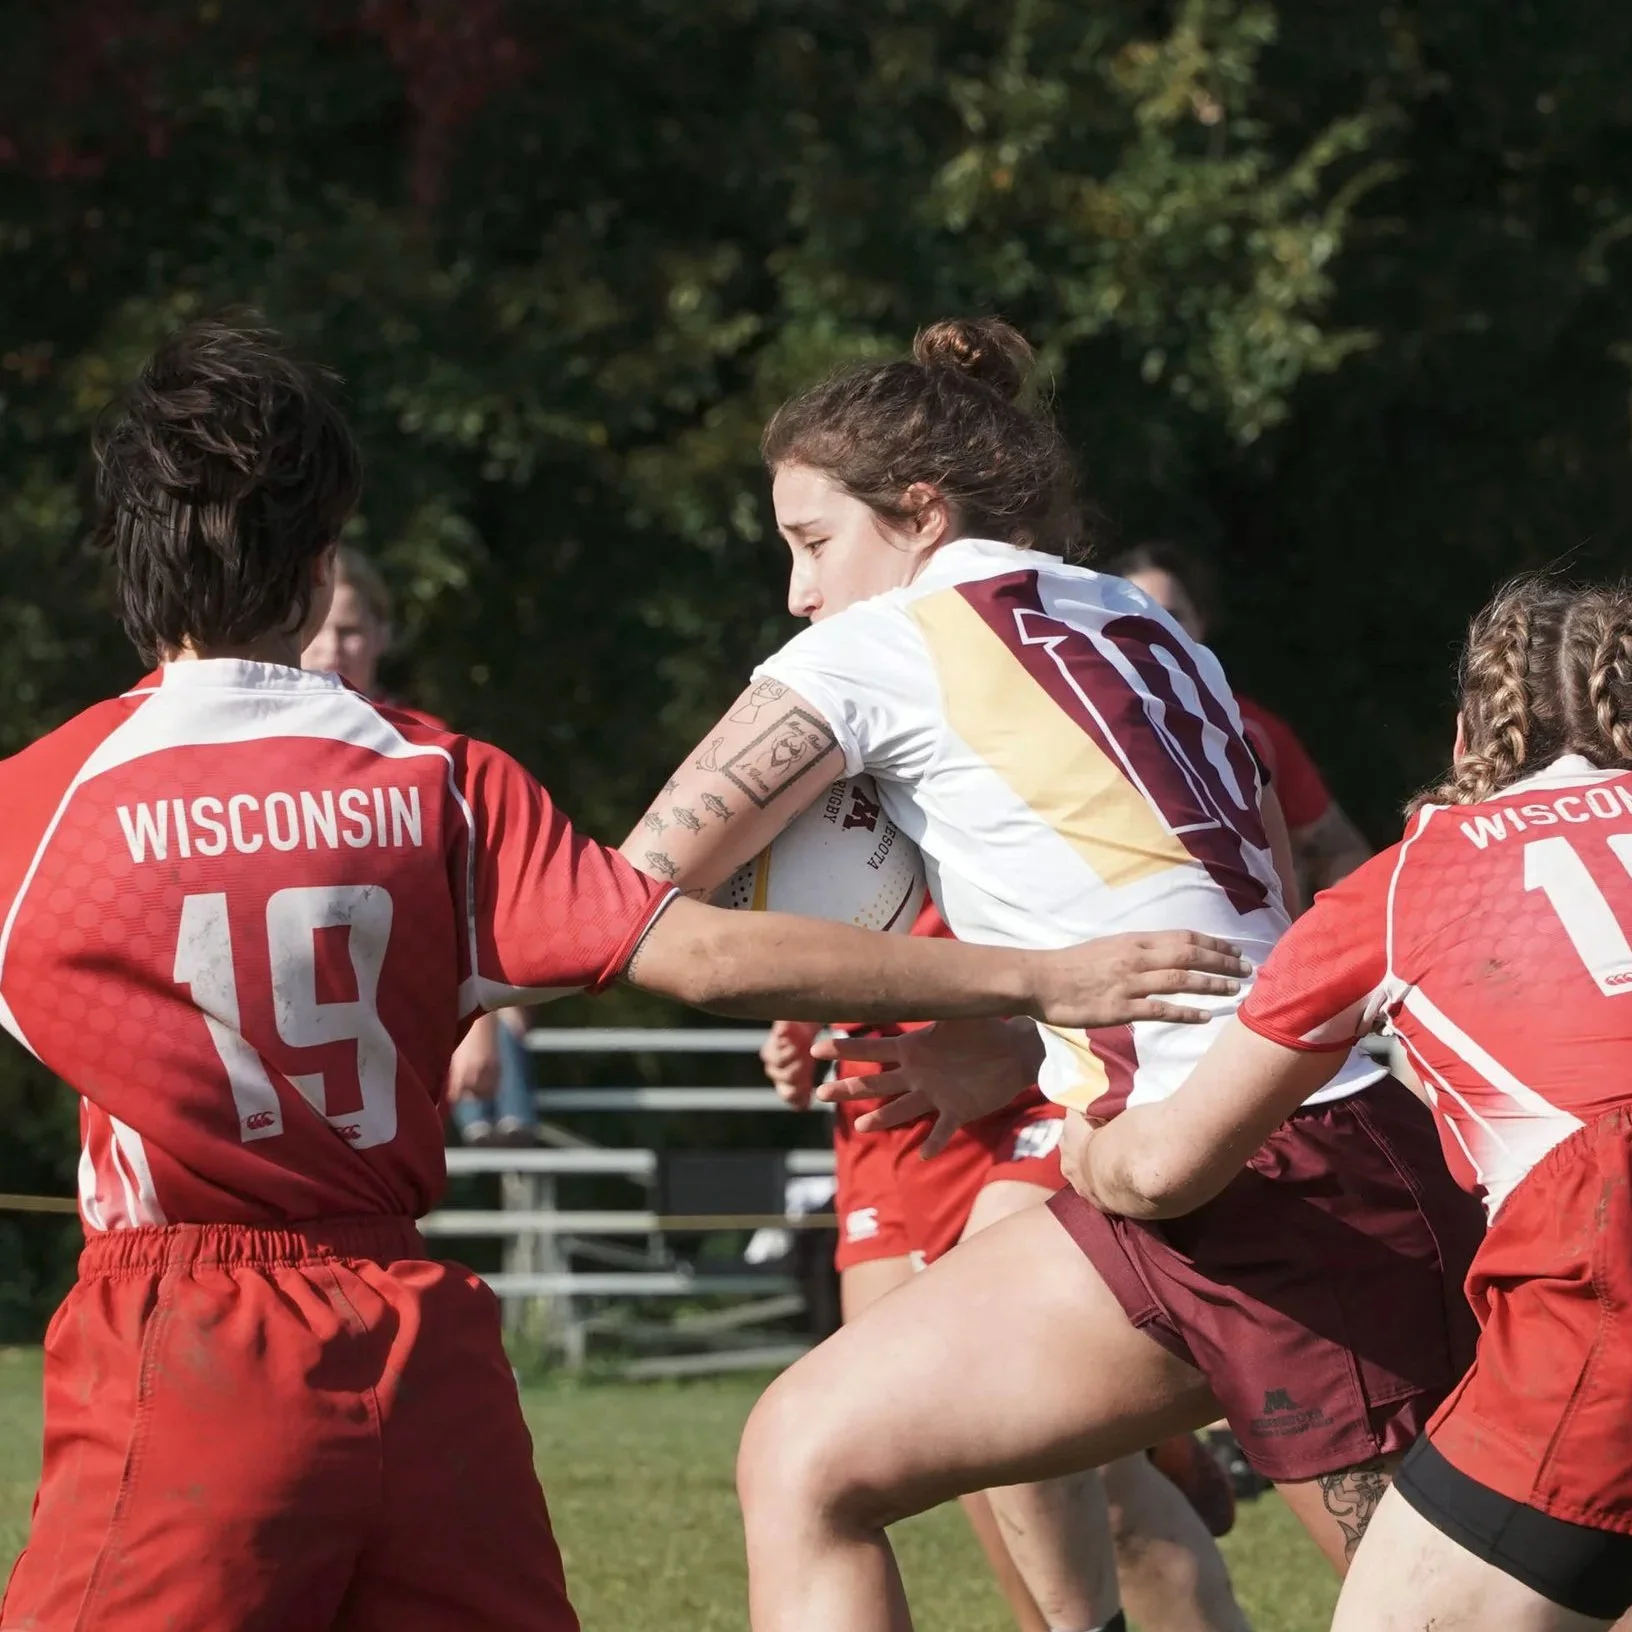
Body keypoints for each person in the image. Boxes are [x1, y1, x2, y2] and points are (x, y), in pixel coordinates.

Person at [0, 316, 1245, 1632]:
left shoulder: (45, 810)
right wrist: (1042, 976)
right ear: (320, 569)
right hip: (423, 1364)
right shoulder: (437, 780)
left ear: (123, 562)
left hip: (189, 1339)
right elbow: (699, 952)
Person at [620, 315, 1486, 1632]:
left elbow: (641, 907)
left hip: (1278, 1190)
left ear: (915, 511)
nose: (797, 592)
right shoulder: (1142, 620)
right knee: (806, 1453)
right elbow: (1235, 877)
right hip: (1211, 1165)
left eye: (811, 544)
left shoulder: (878, 642)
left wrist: (1027, 982)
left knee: (1491, 1614)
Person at [1068, 575, 1632, 1630]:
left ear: (1468, 732)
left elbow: (1165, 1169)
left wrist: (1087, 1147)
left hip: (1602, 1283)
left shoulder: (1409, 882)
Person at [761, 908, 1244, 1632]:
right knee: (954, 1445)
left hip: (1027, 1060)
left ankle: (1148, 1438)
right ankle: (1148, 1448)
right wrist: (794, 1010)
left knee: (1043, 1433)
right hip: (884, 1092)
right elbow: (816, 889)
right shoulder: (796, 804)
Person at [301, 546, 533, 1144]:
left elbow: (474, 890)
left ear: (382, 634)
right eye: (318, 629)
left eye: (350, 630)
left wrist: (482, 1018)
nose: (333, 649)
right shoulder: (249, 748)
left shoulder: (428, 749)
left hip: (406, 1015)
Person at [1107, 540, 1372, 901]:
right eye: (1139, 621)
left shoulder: (1256, 730)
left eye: (1174, 616)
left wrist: (1326, 931)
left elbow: (1339, 848)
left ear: (1201, 621)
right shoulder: (1082, 732)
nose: (1159, 632)